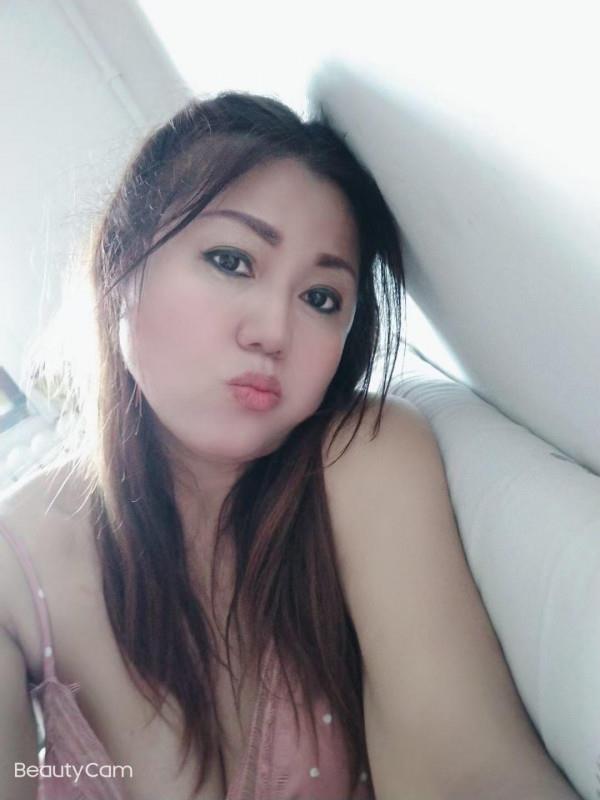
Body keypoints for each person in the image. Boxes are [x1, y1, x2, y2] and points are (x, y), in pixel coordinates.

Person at [0, 92, 580, 800]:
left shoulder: (363, 459)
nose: (273, 331)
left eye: (321, 298)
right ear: (120, 268)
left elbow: (465, 764)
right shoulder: (16, 565)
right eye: (231, 260)